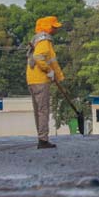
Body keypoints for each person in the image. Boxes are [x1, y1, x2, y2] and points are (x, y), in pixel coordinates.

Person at [26, 16, 65, 149]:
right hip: (40, 80)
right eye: (54, 27)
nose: (56, 29)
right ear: (48, 27)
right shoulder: (44, 40)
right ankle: (43, 140)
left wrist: (58, 77)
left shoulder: (37, 39)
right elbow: (39, 58)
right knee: (43, 110)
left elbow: (52, 60)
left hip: (33, 79)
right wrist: (49, 71)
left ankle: (41, 137)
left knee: (39, 110)